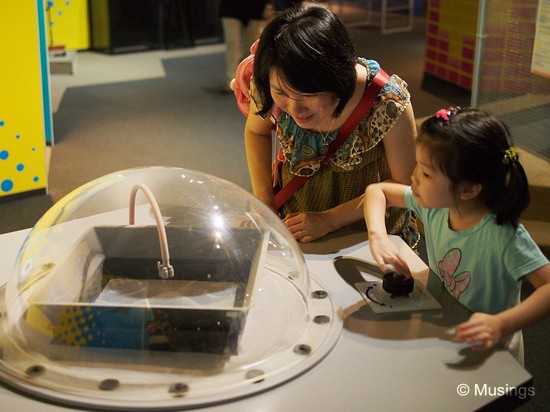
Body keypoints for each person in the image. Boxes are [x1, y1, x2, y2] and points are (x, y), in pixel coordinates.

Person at [363, 106, 550, 364]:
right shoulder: (436, 207)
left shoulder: (504, 235)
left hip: (492, 348)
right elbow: (377, 191)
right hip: (446, 326)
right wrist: (378, 237)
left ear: (469, 189)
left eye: (426, 173)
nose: (413, 177)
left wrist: (500, 324)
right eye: (418, 166)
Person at [243, 5, 418, 243]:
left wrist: (330, 219)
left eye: (308, 95)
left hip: (367, 233)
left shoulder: (387, 101)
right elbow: (256, 132)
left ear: (338, 76)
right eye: (281, 93)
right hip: (297, 222)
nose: (295, 110)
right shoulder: (273, 78)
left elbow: (404, 184)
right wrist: (265, 202)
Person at [218, 0, 271, 93]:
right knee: (232, 42)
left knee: (251, 45)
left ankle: (249, 78)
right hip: (230, 7)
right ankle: (232, 79)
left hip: (255, 7)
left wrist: (268, 4)